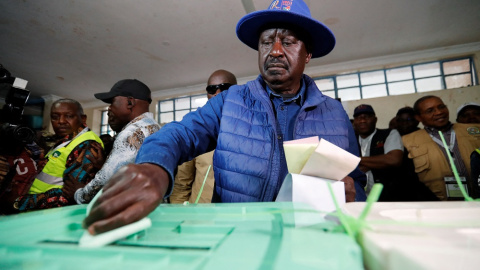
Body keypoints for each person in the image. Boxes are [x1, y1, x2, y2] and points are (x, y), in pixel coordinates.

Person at [84, 0, 366, 235]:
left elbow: (355, 180)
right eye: (267, 42)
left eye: (288, 42)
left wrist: (354, 196)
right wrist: (154, 167)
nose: (275, 51)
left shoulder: (335, 113)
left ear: (308, 54)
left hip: (315, 236)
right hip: (239, 236)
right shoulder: (229, 102)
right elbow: (180, 134)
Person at [1, 99, 104, 212]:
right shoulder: (66, 140)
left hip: (49, 215)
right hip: (34, 211)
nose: (61, 121)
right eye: (55, 117)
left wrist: (19, 202)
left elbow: (70, 195)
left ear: (83, 118)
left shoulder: (86, 144)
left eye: (69, 116)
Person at [69, 79, 161, 204]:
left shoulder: (131, 133)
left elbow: (106, 182)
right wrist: (105, 166)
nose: (110, 108)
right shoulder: (155, 127)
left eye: (112, 103)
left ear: (130, 102)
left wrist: (79, 194)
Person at [170, 70, 237, 204]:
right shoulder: (195, 131)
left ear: (236, 90)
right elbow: (182, 184)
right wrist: (183, 217)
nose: (218, 93)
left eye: (224, 87)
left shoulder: (251, 129)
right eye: (212, 89)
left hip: (237, 216)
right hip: (200, 217)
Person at [403, 95, 480, 200]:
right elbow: (409, 182)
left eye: (441, 107)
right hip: (439, 204)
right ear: (418, 117)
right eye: (430, 111)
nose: (439, 112)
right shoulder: (407, 141)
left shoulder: (474, 130)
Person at [353, 104, 404, 200]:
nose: (362, 120)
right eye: (358, 118)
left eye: (367, 117)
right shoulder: (350, 140)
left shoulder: (389, 133)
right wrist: (378, 161)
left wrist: (356, 159)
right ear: (354, 122)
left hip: (388, 195)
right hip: (359, 197)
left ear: (375, 119)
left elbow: (394, 160)